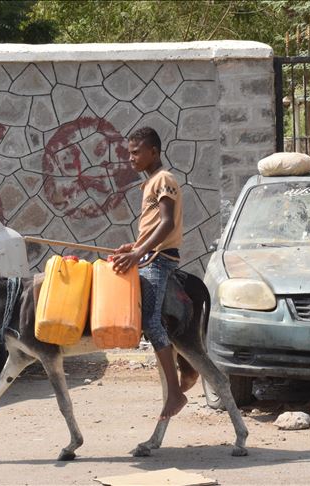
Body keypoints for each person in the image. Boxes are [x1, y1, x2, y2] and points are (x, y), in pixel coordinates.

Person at [110, 126, 199, 421]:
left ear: (154, 152)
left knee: (151, 320)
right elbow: (151, 228)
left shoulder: (164, 179)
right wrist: (133, 246)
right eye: (129, 152)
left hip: (159, 261)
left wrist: (138, 254)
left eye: (136, 152)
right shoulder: (149, 183)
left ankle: (175, 392)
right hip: (149, 256)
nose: (131, 158)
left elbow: (166, 223)